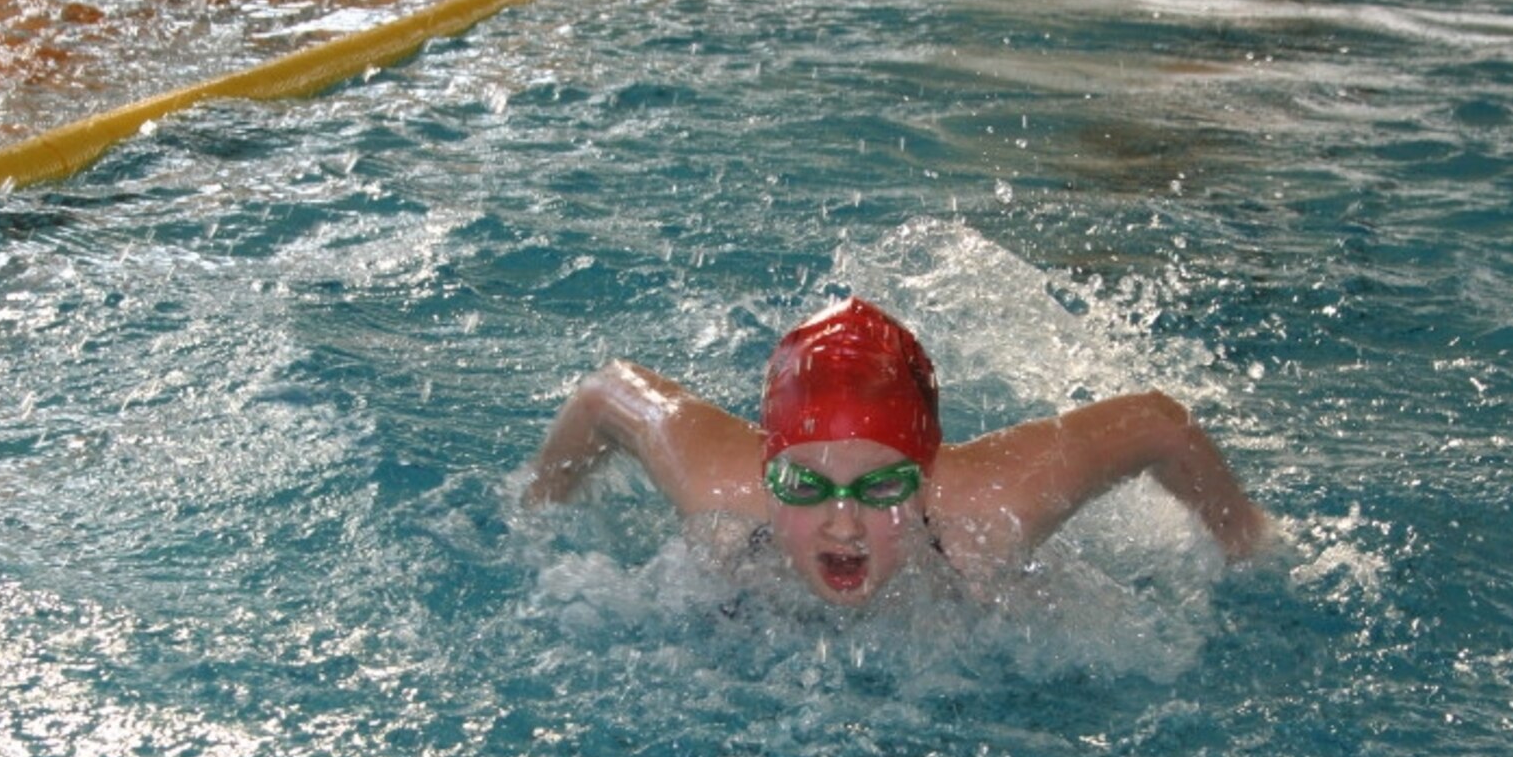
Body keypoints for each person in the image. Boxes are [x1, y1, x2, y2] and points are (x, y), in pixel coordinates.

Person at [525, 297, 1268, 607]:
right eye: (805, 485)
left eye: (880, 488)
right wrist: (538, 510)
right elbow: (606, 393)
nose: (842, 523)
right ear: (766, 471)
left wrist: (1247, 539)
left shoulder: (987, 510)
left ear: (926, 479)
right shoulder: (721, 491)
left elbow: (1159, 422)